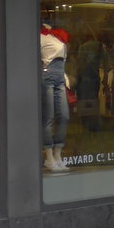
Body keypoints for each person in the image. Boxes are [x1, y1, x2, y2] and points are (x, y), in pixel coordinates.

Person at [40, 22, 71, 173]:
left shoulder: (58, 36)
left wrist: (65, 77)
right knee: (49, 116)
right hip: (47, 76)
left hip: (60, 77)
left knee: (64, 116)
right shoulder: (40, 37)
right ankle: (49, 157)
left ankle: (58, 154)